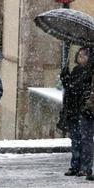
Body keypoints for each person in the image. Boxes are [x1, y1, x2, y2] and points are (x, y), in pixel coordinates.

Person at [60, 47, 94, 178]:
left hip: (84, 110)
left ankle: (85, 167)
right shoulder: (76, 71)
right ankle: (75, 166)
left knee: (85, 140)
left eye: (83, 56)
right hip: (73, 110)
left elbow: (80, 89)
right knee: (75, 140)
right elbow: (70, 88)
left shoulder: (89, 72)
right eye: (79, 55)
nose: (80, 58)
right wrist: (65, 77)